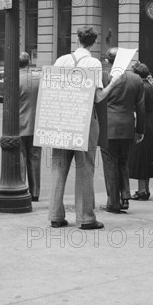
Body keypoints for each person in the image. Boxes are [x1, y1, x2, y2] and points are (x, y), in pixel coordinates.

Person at [48, 25, 119, 230]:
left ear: (77, 40)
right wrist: (112, 84)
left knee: (58, 166)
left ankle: (55, 215)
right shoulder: (93, 62)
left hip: (61, 118)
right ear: (94, 41)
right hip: (85, 120)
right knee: (85, 168)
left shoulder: (62, 59)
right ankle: (86, 218)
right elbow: (98, 97)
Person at [100, 47, 145, 213]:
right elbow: (140, 107)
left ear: (107, 60)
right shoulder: (136, 79)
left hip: (108, 126)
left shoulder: (103, 76)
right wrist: (140, 129)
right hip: (127, 126)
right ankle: (125, 196)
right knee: (123, 162)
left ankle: (113, 201)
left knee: (110, 164)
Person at [128, 62, 153, 201]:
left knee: (140, 157)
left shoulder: (139, 87)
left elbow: (137, 108)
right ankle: (146, 189)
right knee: (148, 158)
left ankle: (141, 190)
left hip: (141, 122)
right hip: (150, 123)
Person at [19, 52, 42, 202]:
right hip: (36, 124)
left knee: (20, 158)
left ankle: (21, 188)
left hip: (19, 124)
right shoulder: (38, 78)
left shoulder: (14, 79)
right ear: (30, 62)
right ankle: (35, 193)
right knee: (35, 159)